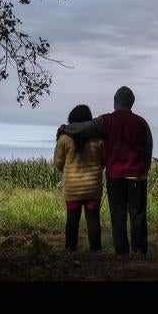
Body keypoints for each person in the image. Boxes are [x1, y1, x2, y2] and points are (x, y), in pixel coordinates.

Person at [56, 86, 153, 256]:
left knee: (118, 215)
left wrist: (65, 128)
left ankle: (121, 252)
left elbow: (83, 128)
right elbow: (148, 149)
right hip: (137, 176)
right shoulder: (142, 122)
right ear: (131, 103)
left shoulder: (106, 120)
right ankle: (139, 251)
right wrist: (144, 169)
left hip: (115, 176)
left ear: (115, 103)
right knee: (138, 215)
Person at [53, 104, 105, 252]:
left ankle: (70, 249)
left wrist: (69, 171)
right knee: (93, 219)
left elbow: (58, 162)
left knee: (72, 220)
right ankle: (95, 249)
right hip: (92, 187)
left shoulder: (64, 138)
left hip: (72, 188)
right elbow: (103, 160)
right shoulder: (97, 138)